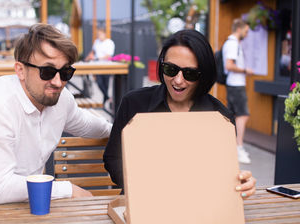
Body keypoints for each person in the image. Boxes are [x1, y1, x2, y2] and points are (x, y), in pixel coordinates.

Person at [0, 24, 112, 204]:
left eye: (65, 72)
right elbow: (0, 189)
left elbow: (88, 124)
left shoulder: (60, 99)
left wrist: (124, 130)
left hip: (33, 207)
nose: (57, 82)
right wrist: (68, 189)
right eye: (48, 71)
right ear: (20, 70)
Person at [103, 29, 256, 199]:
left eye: (190, 73)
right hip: (140, 202)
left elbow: (221, 174)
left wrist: (239, 184)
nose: (178, 80)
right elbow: (113, 159)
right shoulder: (134, 103)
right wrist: (144, 185)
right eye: (170, 69)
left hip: (197, 208)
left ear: (204, 74)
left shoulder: (221, 117)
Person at [222, 18, 254, 164]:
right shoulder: (233, 44)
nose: (246, 34)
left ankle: (233, 146)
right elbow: (229, 65)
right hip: (236, 85)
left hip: (234, 85)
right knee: (242, 115)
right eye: (246, 31)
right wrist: (245, 70)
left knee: (234, 115)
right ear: (239, 29)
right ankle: (238, 147)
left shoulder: (232, 43)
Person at [85, 28, 115, 105]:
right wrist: (87, 58)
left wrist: (97, 58)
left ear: (104, 34)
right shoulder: (96, 42)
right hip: (97, 65)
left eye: (100, 34)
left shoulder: (110, 43)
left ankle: (105, 101)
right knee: (99, 83)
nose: (99, 36)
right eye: (98, 34)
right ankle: (108, 98)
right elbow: (93, 51)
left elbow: (109, 56)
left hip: (107, 66)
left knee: (106, 84)